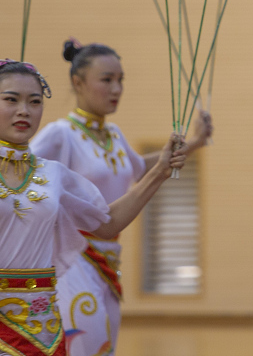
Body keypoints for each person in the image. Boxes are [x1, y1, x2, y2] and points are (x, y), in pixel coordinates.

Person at [0, 60, 186, 356]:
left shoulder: (54, 175)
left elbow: (107, 223)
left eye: (34, 102)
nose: (24, 110)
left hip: (41, 317)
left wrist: (159, 172)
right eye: (11, 100)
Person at [30, 40, 214, 356]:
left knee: (104, 346)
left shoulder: (113, 134)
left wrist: (196, 142)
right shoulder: (61, 134)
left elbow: (140, 168)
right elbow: (23, 169)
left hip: (108, 260)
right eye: (106, 80)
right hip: (73, 258)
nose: (116, 88)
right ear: (78, 83)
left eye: (120, 80)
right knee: (84, 345)